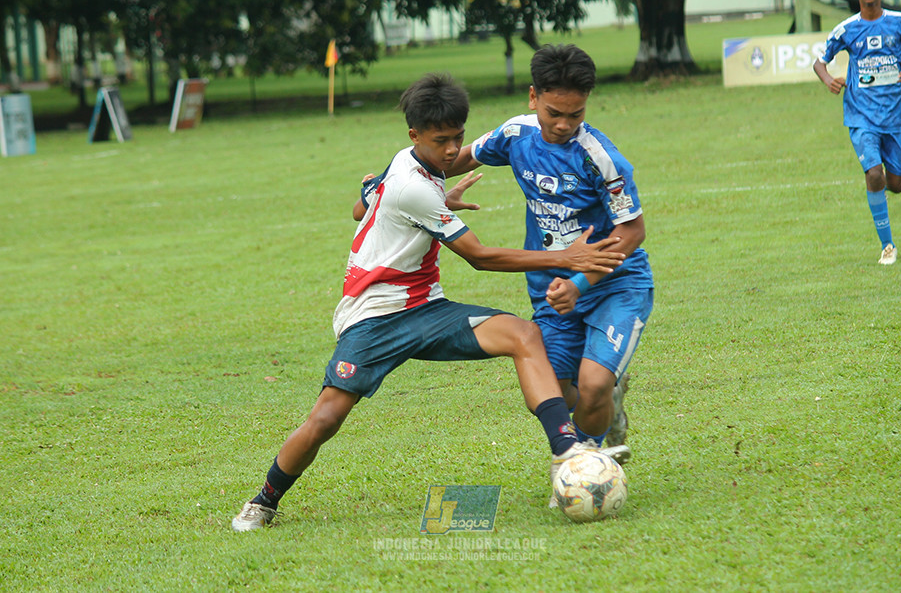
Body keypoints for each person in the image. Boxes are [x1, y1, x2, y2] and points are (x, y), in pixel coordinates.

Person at [231, 73, 629, 531]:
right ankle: (263, 501)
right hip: (374, 317)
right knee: (325, 419)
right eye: (441, 141)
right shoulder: (412, 184)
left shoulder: (414, 168)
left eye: (457, 138)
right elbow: (479, 257)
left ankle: (566, 450)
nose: (450, 151)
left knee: (523, 335)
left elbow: (362, 206)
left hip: (426, 307)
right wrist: (567, 255)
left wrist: (440, 202)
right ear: (414, 135)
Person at [445, 44, 654, 465]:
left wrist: (580, 284)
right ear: (532, 97)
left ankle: (586, 464)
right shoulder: (515, 135)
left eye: (574, 115)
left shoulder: (601, 158)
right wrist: (397, 182)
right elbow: (454, 159)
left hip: (613, 285)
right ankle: (605, 411)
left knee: (592, 385)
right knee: (549, 395)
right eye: (553, 113)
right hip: (550, 290)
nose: (562, 125)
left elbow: (632, 230)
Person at [813, 0, 901, 266]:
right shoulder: (847, 28)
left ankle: (884, 190)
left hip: (897, 115)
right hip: (861, 115)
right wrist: (829, 80)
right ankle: (888, 246)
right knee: (874, 173)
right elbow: (819, 61)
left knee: (896, 184)